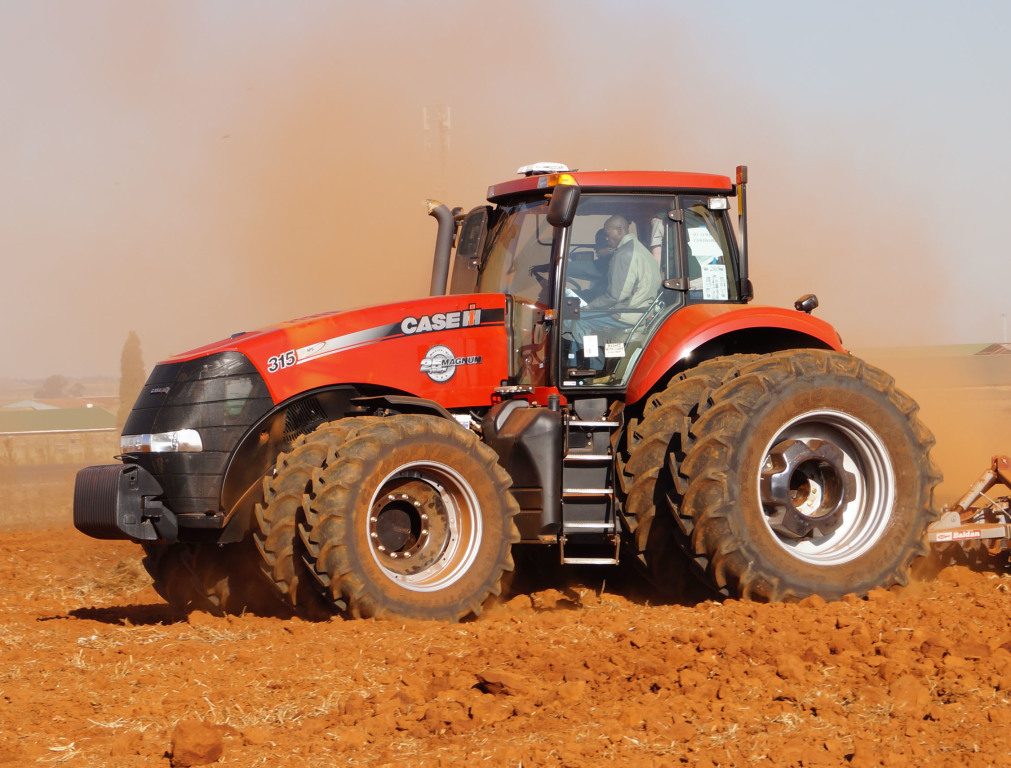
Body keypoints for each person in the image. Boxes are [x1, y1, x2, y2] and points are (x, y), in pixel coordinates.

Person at [565, 214, 662, 371]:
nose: (605, 237)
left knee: (579, 319)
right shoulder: (640, 250)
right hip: (639, 309)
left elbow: (615, 296)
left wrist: (589, 307)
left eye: (606, 232)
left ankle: (592, 368)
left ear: (619, 230)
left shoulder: (624, 254)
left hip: (627, 313)